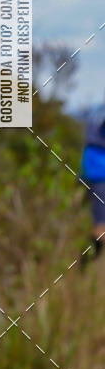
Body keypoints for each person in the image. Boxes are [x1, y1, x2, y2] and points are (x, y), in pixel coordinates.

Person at [79, 103, 105, 268]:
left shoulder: (97, 110)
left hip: (94, 170)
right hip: (99, 174)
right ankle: (82, 268)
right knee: (101, 229)